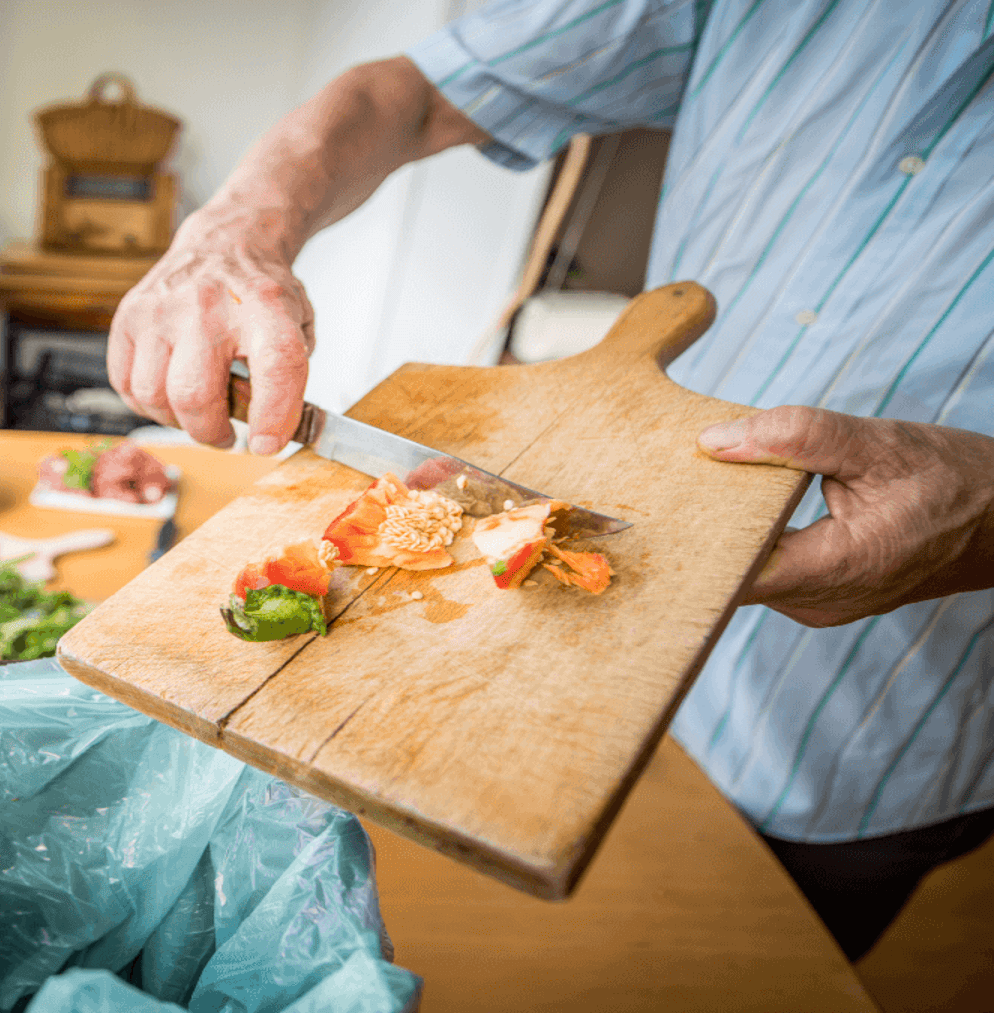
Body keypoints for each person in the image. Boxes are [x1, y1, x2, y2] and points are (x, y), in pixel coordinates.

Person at [109, 0, 994, 962]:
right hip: (552, 683)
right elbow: (408, 95)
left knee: (720, 967)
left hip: (862, 726)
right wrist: (228, 229)